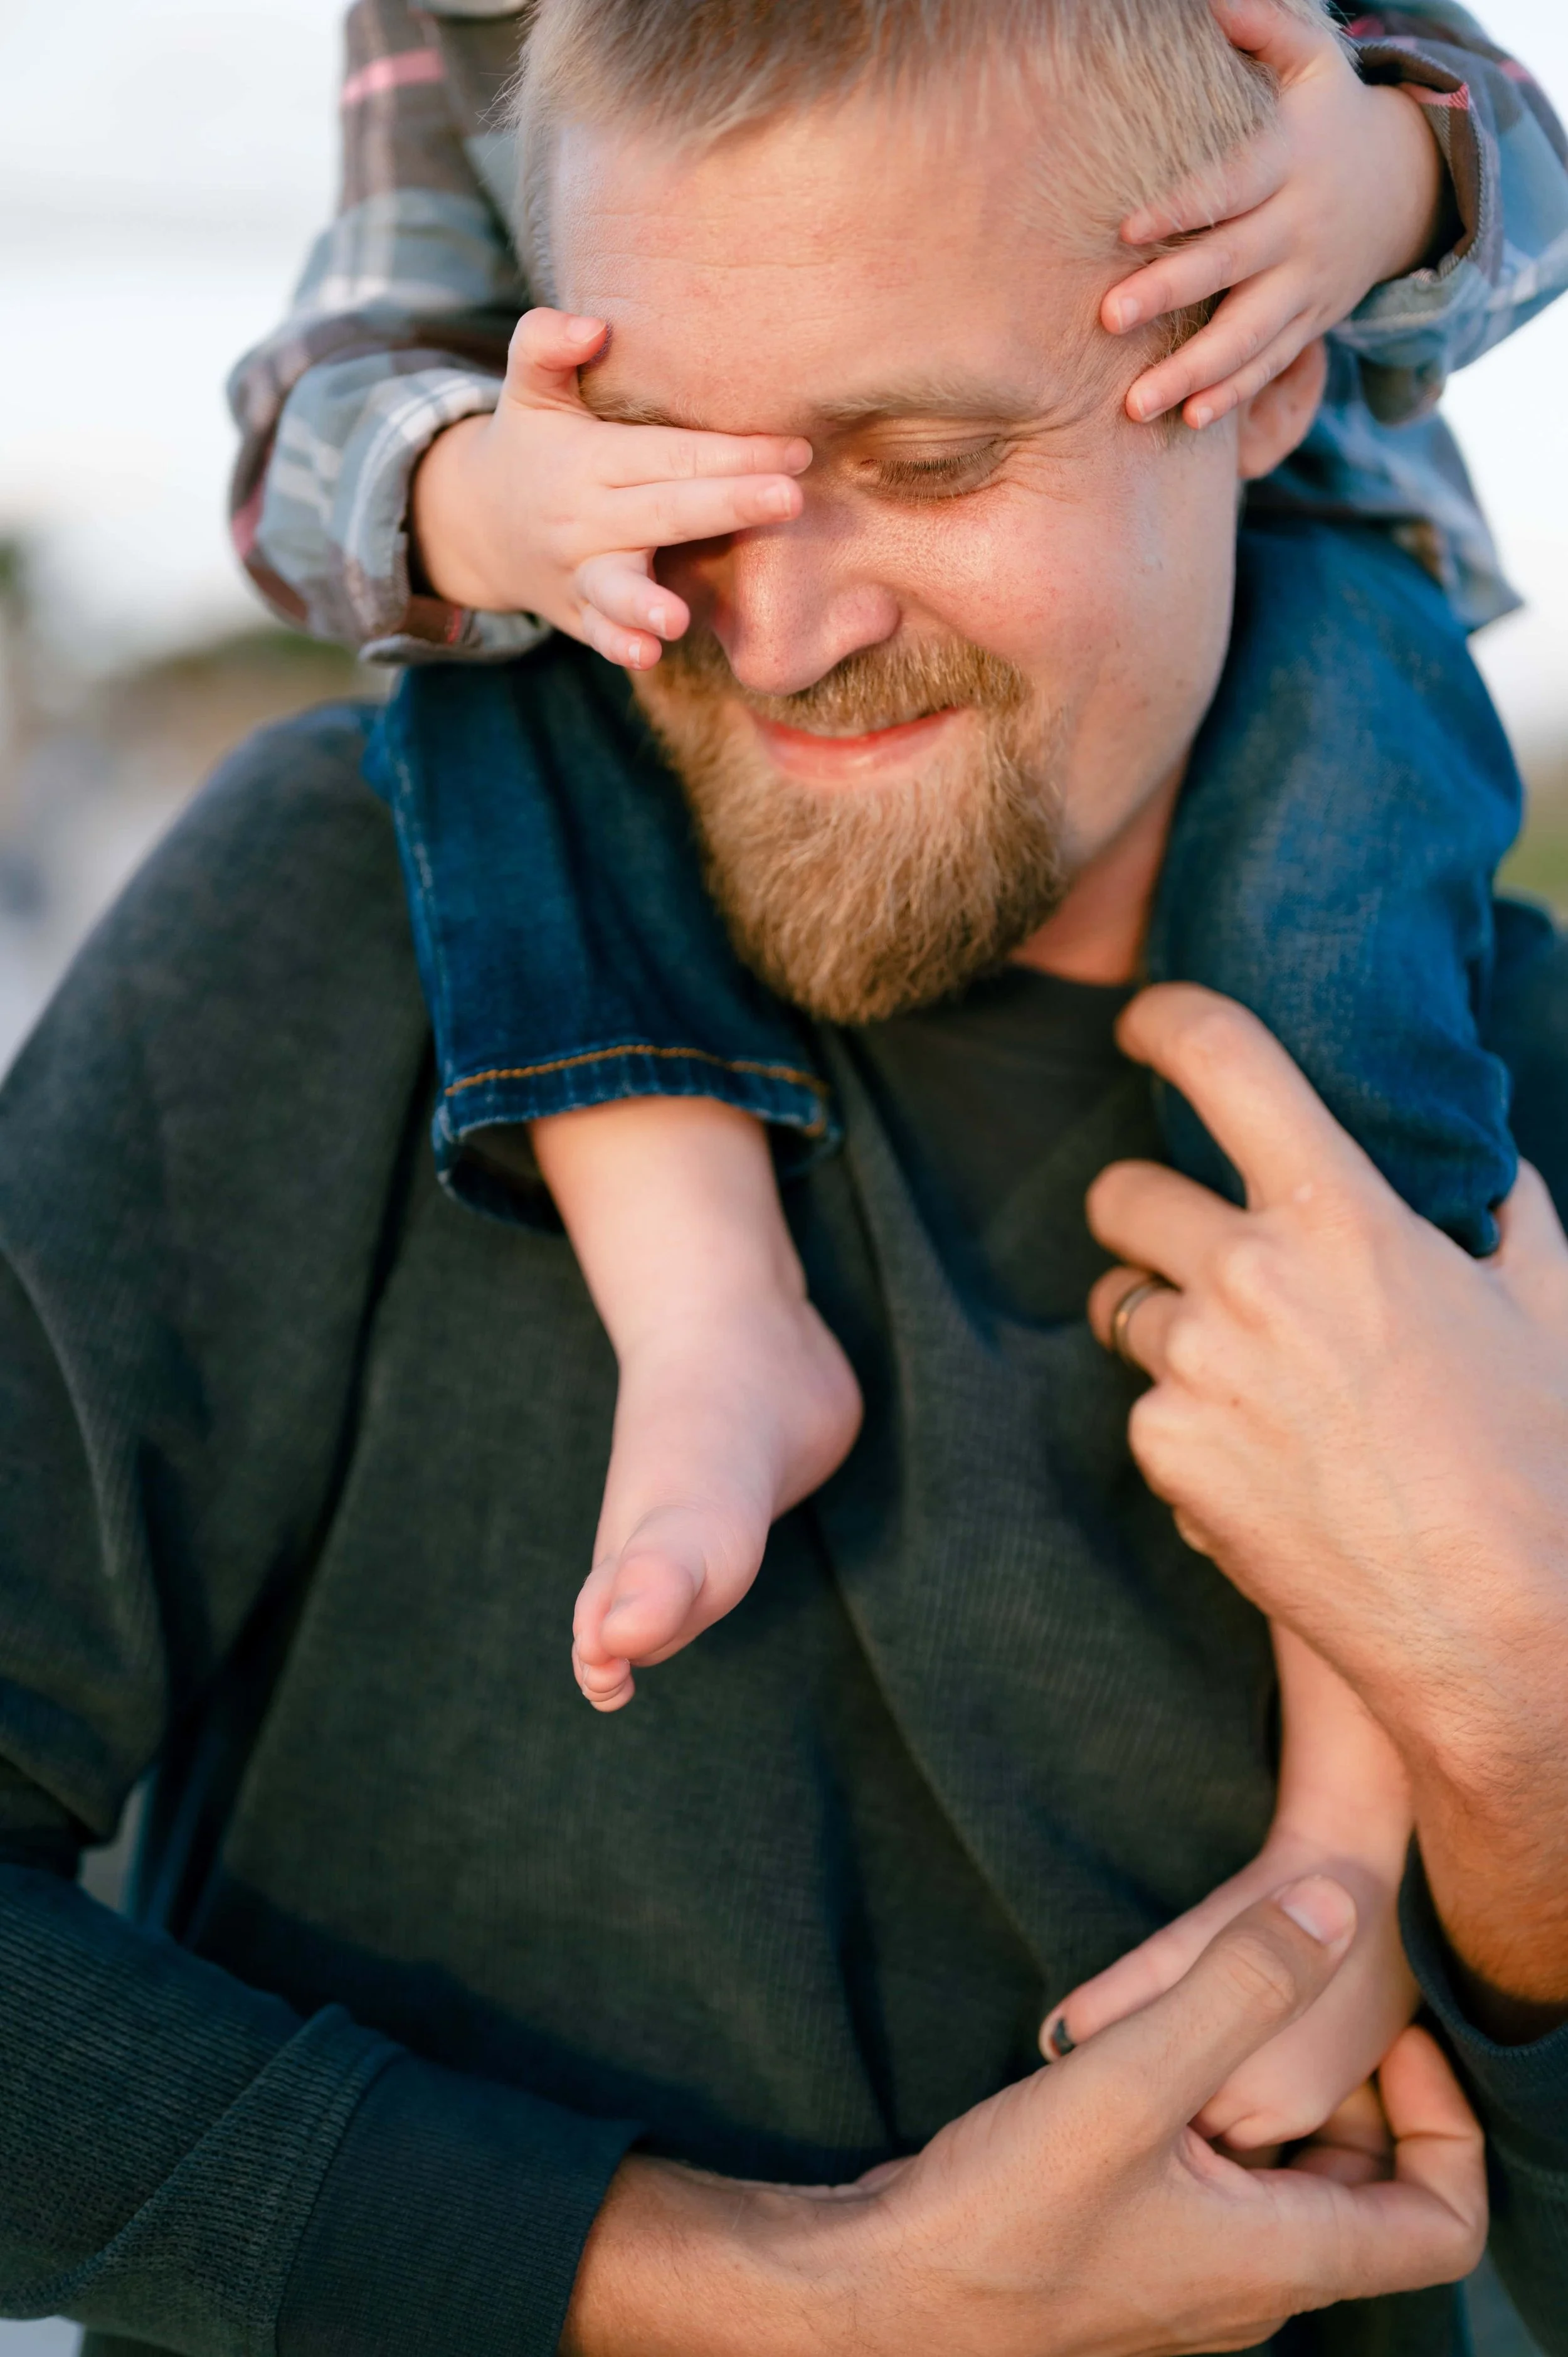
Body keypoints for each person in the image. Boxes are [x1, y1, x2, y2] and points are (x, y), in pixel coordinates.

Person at [6, 3, 1568, 2349]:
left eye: (931, 461)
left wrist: (1527, 1719)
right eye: (667, 473)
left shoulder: (1509, 1066)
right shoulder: (337, 919)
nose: (787, 619)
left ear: (1264, 374)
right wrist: (759, 2292)